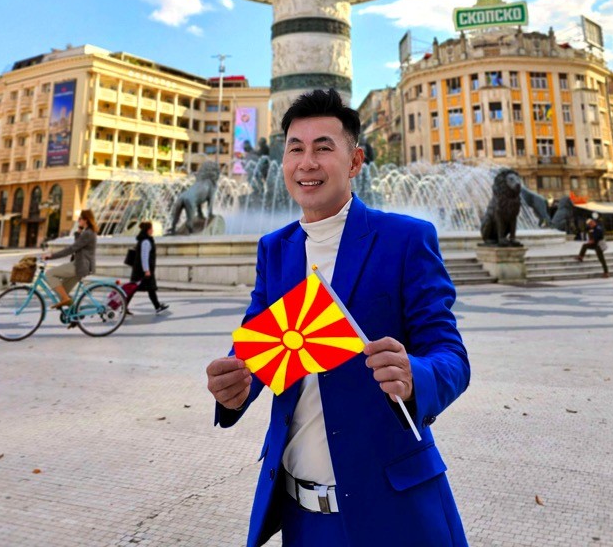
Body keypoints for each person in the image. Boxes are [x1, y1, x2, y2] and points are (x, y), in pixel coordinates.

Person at [206, 89, 470, 547]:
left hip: (395, 512)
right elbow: (255, 350)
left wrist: (415, 375)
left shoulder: (404, 239)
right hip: (301, 517)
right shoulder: (275, 249)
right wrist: (234, 386)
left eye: (323, 148)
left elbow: (451, 356)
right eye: (295, 149)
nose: (306, 163)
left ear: (355, 161)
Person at [43, 208, 98, 306]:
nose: (78, 221)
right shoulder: (88, 232)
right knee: (61, 291)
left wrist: (51, 256)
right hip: (82, 265)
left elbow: (72, 249)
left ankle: (65, 299)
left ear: (86, 220)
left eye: (80, 219)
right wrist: (79, 232)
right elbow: (78, 245)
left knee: (49, 274)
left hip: (80, 266)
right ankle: (73, 312)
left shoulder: (88, 233)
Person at [127, 220, 169, 314]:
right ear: (148, 230)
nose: (153, 230)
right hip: (142, 271)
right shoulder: (146, 241)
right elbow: (144, 256)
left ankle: (157, 306)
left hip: (140, 270)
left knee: (150, 289)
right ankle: (123, 306)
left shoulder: (143, 239)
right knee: (134, 289)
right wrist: (146, 270)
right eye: (151, 228)